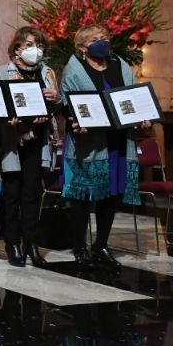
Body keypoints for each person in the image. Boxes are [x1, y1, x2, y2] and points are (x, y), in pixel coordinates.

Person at [59, 24, 149, 270]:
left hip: (118, 140)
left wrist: (143, 114)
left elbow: (133, 95)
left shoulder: (120, 63)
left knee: (112, 193)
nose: (101, 42)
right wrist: (75, 120)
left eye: (104, 38)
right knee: (83, 196)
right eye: (94, 39)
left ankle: (100, 245)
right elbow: (67, 102)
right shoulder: (74, 70)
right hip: (88, 142)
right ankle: (79, 246)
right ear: (82, 47)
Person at [0, 26, 60, 267]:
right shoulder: (1, 72)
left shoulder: (48, 72)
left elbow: (55, 106)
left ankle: (31, 243)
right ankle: (12, 244)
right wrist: (7, 118)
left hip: (38, 141)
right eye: (30, 45)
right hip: (12, 140)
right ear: (17, 48)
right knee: (12, 194)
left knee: (31, 194)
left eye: (40, 45)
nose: (36, 50)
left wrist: (52, 103)